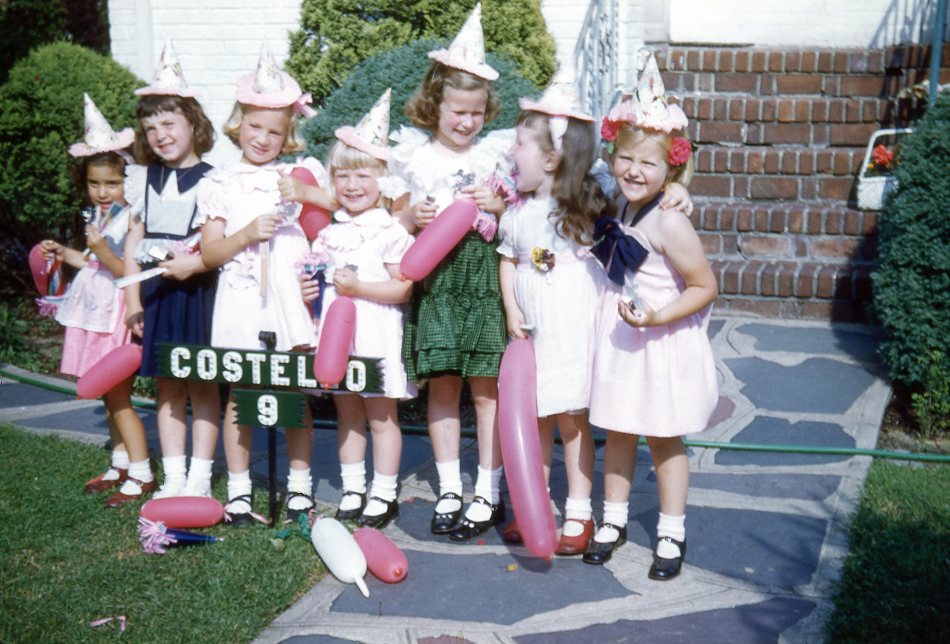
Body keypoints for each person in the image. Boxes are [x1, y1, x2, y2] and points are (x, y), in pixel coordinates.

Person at [582, 53, 719, 581]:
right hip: (621, 337)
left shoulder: (669, 221)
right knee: (617, 430)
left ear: (672, 169)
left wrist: (659, 316)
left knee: (663, 438)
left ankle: (671, 530)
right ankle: (613, 521)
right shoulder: (618, 201)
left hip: (658, 341)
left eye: (651, 164)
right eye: (626, 159)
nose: (635, 171)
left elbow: (706, 286)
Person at [381, 3, 513, 540]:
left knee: (487, 389)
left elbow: (519, 212)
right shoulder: (414, 156)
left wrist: (499, 206)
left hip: (481, 279)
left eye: (476, 113)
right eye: (457, 111)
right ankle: (450, 485)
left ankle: (489, 488)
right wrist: (410, 216)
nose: (466, 122)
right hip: (436, 282)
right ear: (434, 105)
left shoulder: (497, 155)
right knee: (442, 386)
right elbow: (389, 212)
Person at [198, 43, 329, 525]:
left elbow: (335, 216)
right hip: (241, 294)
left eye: (275, 131)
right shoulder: (221, 182)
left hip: (288, 295)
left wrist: (308, 192)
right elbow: (210, 253)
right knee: (243, 392)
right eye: (254, 126)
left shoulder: (298, 174)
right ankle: (237, 490)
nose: (263, 138)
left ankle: (298, 487)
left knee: (292, 389)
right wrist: (246, 234)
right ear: (238, 124)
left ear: (287, 133)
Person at [494, 85, 608, 555]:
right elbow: (507, 259)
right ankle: (533, 506)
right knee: (531, 417)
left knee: (570, 417)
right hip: (531, 325)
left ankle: (579, 512)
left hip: (568, 321)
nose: (510, 151)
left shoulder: (578, 210)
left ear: (552, 159)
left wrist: (678, 188)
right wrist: (511, 308)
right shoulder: (518, 212)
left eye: (521, 144)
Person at [302, 89, 415, 529]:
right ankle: (353, 487)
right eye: (344, 177)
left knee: (381, 414)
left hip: (375, 332)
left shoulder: (388, 230)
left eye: (363, 176)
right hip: (337, 338)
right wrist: (310, 291)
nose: (352, 186)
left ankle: (383, 492)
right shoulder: (330, 233)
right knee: (346, 411)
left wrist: (358, 287)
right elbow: (320, 284)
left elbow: (402, 289)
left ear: (383, 181)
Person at [40, 94, 155, 506]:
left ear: (129, 182)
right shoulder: (101, 217)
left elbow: (128, 270)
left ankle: (141, 473)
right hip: (94, 312)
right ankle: (120, 462)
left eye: (112, 183)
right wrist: (66, 253)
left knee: (119, 394)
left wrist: (101, 250)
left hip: (116, 317)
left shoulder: (130, 218)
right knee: (109, 394)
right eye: (94, 183)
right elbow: (91, 262)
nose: (102, 192)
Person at [122, 40, 221, 500]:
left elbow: (218, 243)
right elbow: (133, 244)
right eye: (151, 126)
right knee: (167, 387)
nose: (161, 134)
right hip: (159, 293)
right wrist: (132, 304)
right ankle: (174, 477)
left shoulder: (216, 180)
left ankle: (200, 477)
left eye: (169, 123)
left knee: (200, 384)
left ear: (193, 124)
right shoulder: (143, 179)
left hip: (199, 293)